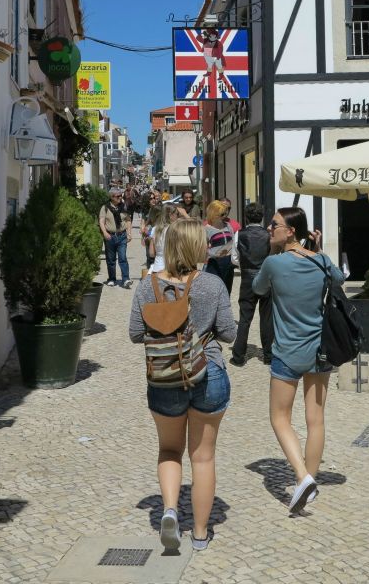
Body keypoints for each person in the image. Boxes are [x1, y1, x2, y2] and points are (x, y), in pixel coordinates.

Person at [129, 218, 236, 552]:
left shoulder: (147, 286)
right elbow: (230, 333)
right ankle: (201, 534)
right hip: (209, 372)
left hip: (164, 377)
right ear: (197, 247)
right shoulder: (213, 284)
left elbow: (135, 333)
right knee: (202, 457)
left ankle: (171, 510)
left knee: (169, 449)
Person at [253, 207, 342, 515]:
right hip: (319, 351)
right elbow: (340, 278)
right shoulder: (321, 261)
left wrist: (273, 254)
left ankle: (302, 477)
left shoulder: (274, 264)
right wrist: (317, 251)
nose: (269, 228)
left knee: (279, 418)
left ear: (290, 230)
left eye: (274, 225)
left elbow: (258, 288)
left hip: (288, 351)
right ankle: (310, 481)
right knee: (315, 419)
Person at [231, 203, 272, 367]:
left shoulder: (239, 234)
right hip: (266, 276)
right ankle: (269, 355)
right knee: (267, 318)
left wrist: (244, 266)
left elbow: (234, 258)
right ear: (262, 217)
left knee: (245, 318)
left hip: (247, 277)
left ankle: (239, 355)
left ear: (246, 217)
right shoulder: (269, 235)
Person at [99, 188, 132, 288]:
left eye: (121, 195)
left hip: (122, 236)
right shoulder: (105, 208)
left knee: (122, 258)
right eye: (118, 196)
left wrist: (129, 233)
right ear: (112, 197)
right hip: (110, 236)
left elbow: (128, 220)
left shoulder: (124, 206)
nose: (120, 197)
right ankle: (112, 279)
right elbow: (101, 221)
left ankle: (125, 279)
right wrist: (104, 232)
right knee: (111, 259)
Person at [204, 200, 235, 294]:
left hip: (228, 264)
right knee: (214, 292)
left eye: (225, 213)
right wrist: (214, 253)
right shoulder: (206, 229)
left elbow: (234, 242)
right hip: (214, 264)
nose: (224, 216)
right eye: (221, 214)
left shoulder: (228, 226)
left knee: (227, 291)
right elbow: (202, 250)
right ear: (213, 214)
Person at [148, 204, 177, 275]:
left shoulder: (155, 229)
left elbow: (151, 253)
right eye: (176, 214)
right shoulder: (175, 230)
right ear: (170, 215)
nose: (177, 216)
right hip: (171, 268)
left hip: (157, 267)